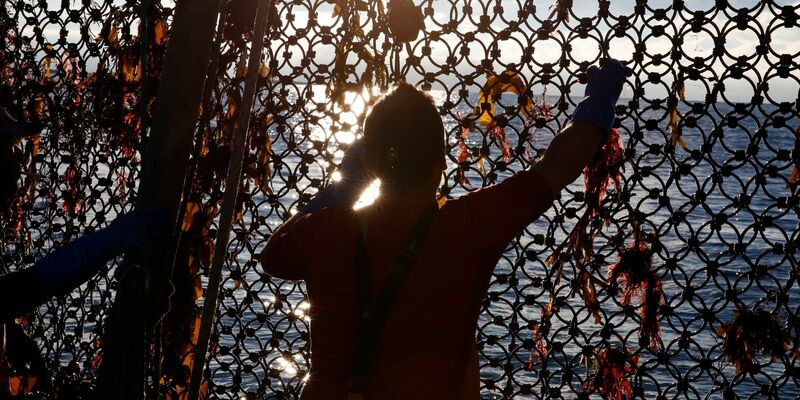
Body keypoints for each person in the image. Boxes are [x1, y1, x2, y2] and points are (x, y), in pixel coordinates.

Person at [260, 59, 631, 399]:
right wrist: (598, 105)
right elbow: (558, 165)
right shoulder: (468, 226)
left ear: (370, 161)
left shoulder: (326, 229)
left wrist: (344, 184)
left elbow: (274, 256)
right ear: (441, 164)